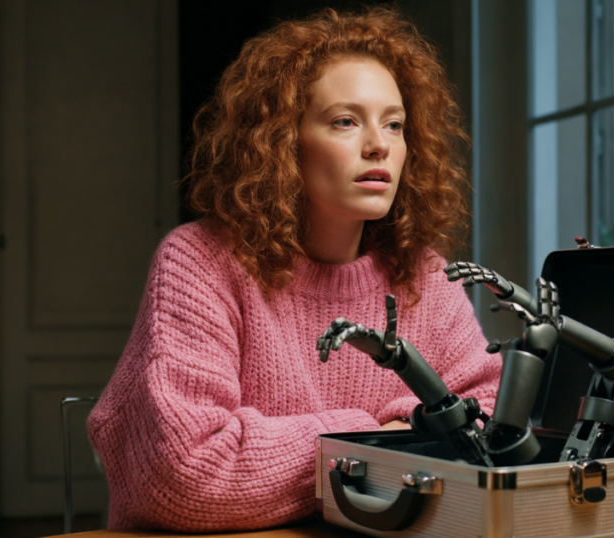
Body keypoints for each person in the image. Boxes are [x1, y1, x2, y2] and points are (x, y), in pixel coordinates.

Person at [87, 6, 501, 533]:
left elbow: (491, 429)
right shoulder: (200, 263)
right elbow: (186, 474)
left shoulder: (424, 277)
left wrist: (353, 446)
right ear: (284, 141)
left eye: (394, 124)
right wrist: (379, 437)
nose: (379, 144)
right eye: (345, 121)